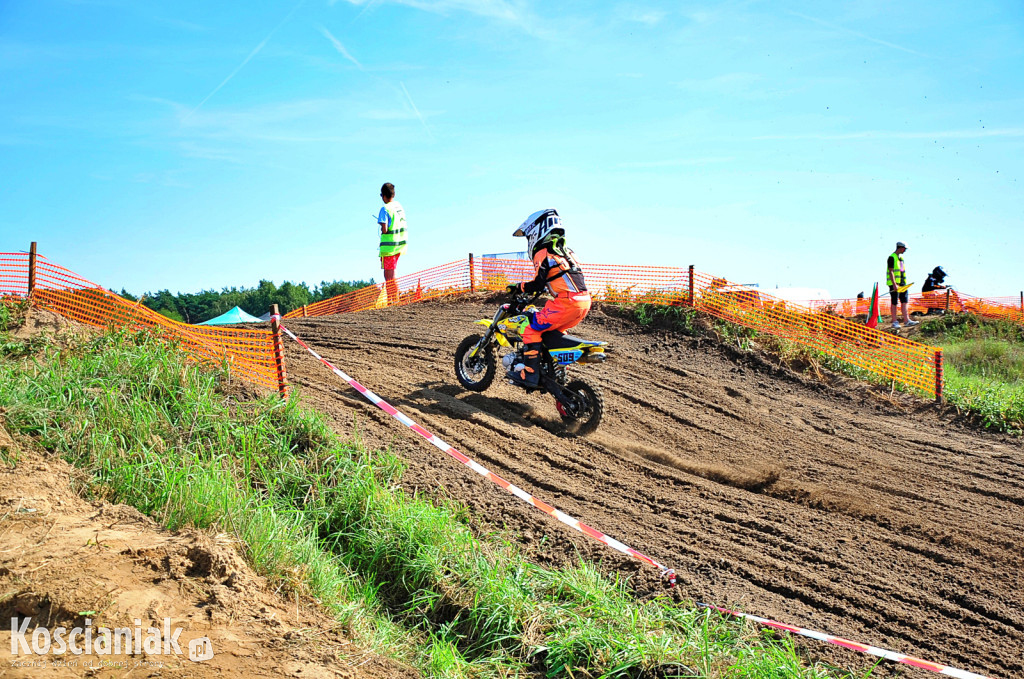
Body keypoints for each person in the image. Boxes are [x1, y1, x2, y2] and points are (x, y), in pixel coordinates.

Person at [505, 209, 591, 387]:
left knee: (530, 329)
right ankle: (556, 371)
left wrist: (518, 287)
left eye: (529, 237)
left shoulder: (543, 253)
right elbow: (556, 279)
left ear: (536, 231)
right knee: (553, 332)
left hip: (566, 303)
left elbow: (537, 284)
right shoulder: (567, 252)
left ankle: (530, 374)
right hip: (583, 302)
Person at [377, 182, 406, 306]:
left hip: (389, 247)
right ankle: (394, 299)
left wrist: (381, 227)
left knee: (389, 274)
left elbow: (384, 229)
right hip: (400, 244)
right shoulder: (398, 206)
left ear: (383, 196)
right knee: (392, 272)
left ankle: (393, 300)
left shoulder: (385, 209)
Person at [886, 241, 918, 329]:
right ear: (901, 248)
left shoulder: (901, 258)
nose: (905, 251)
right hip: (894, 284)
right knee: (894, 302)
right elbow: (891, 271)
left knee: (904, 301)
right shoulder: (891, 257)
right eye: (904, 249)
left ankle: (907, 320)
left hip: (903, 284)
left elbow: (901, 270)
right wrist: (894, 284)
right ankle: (894, 321)